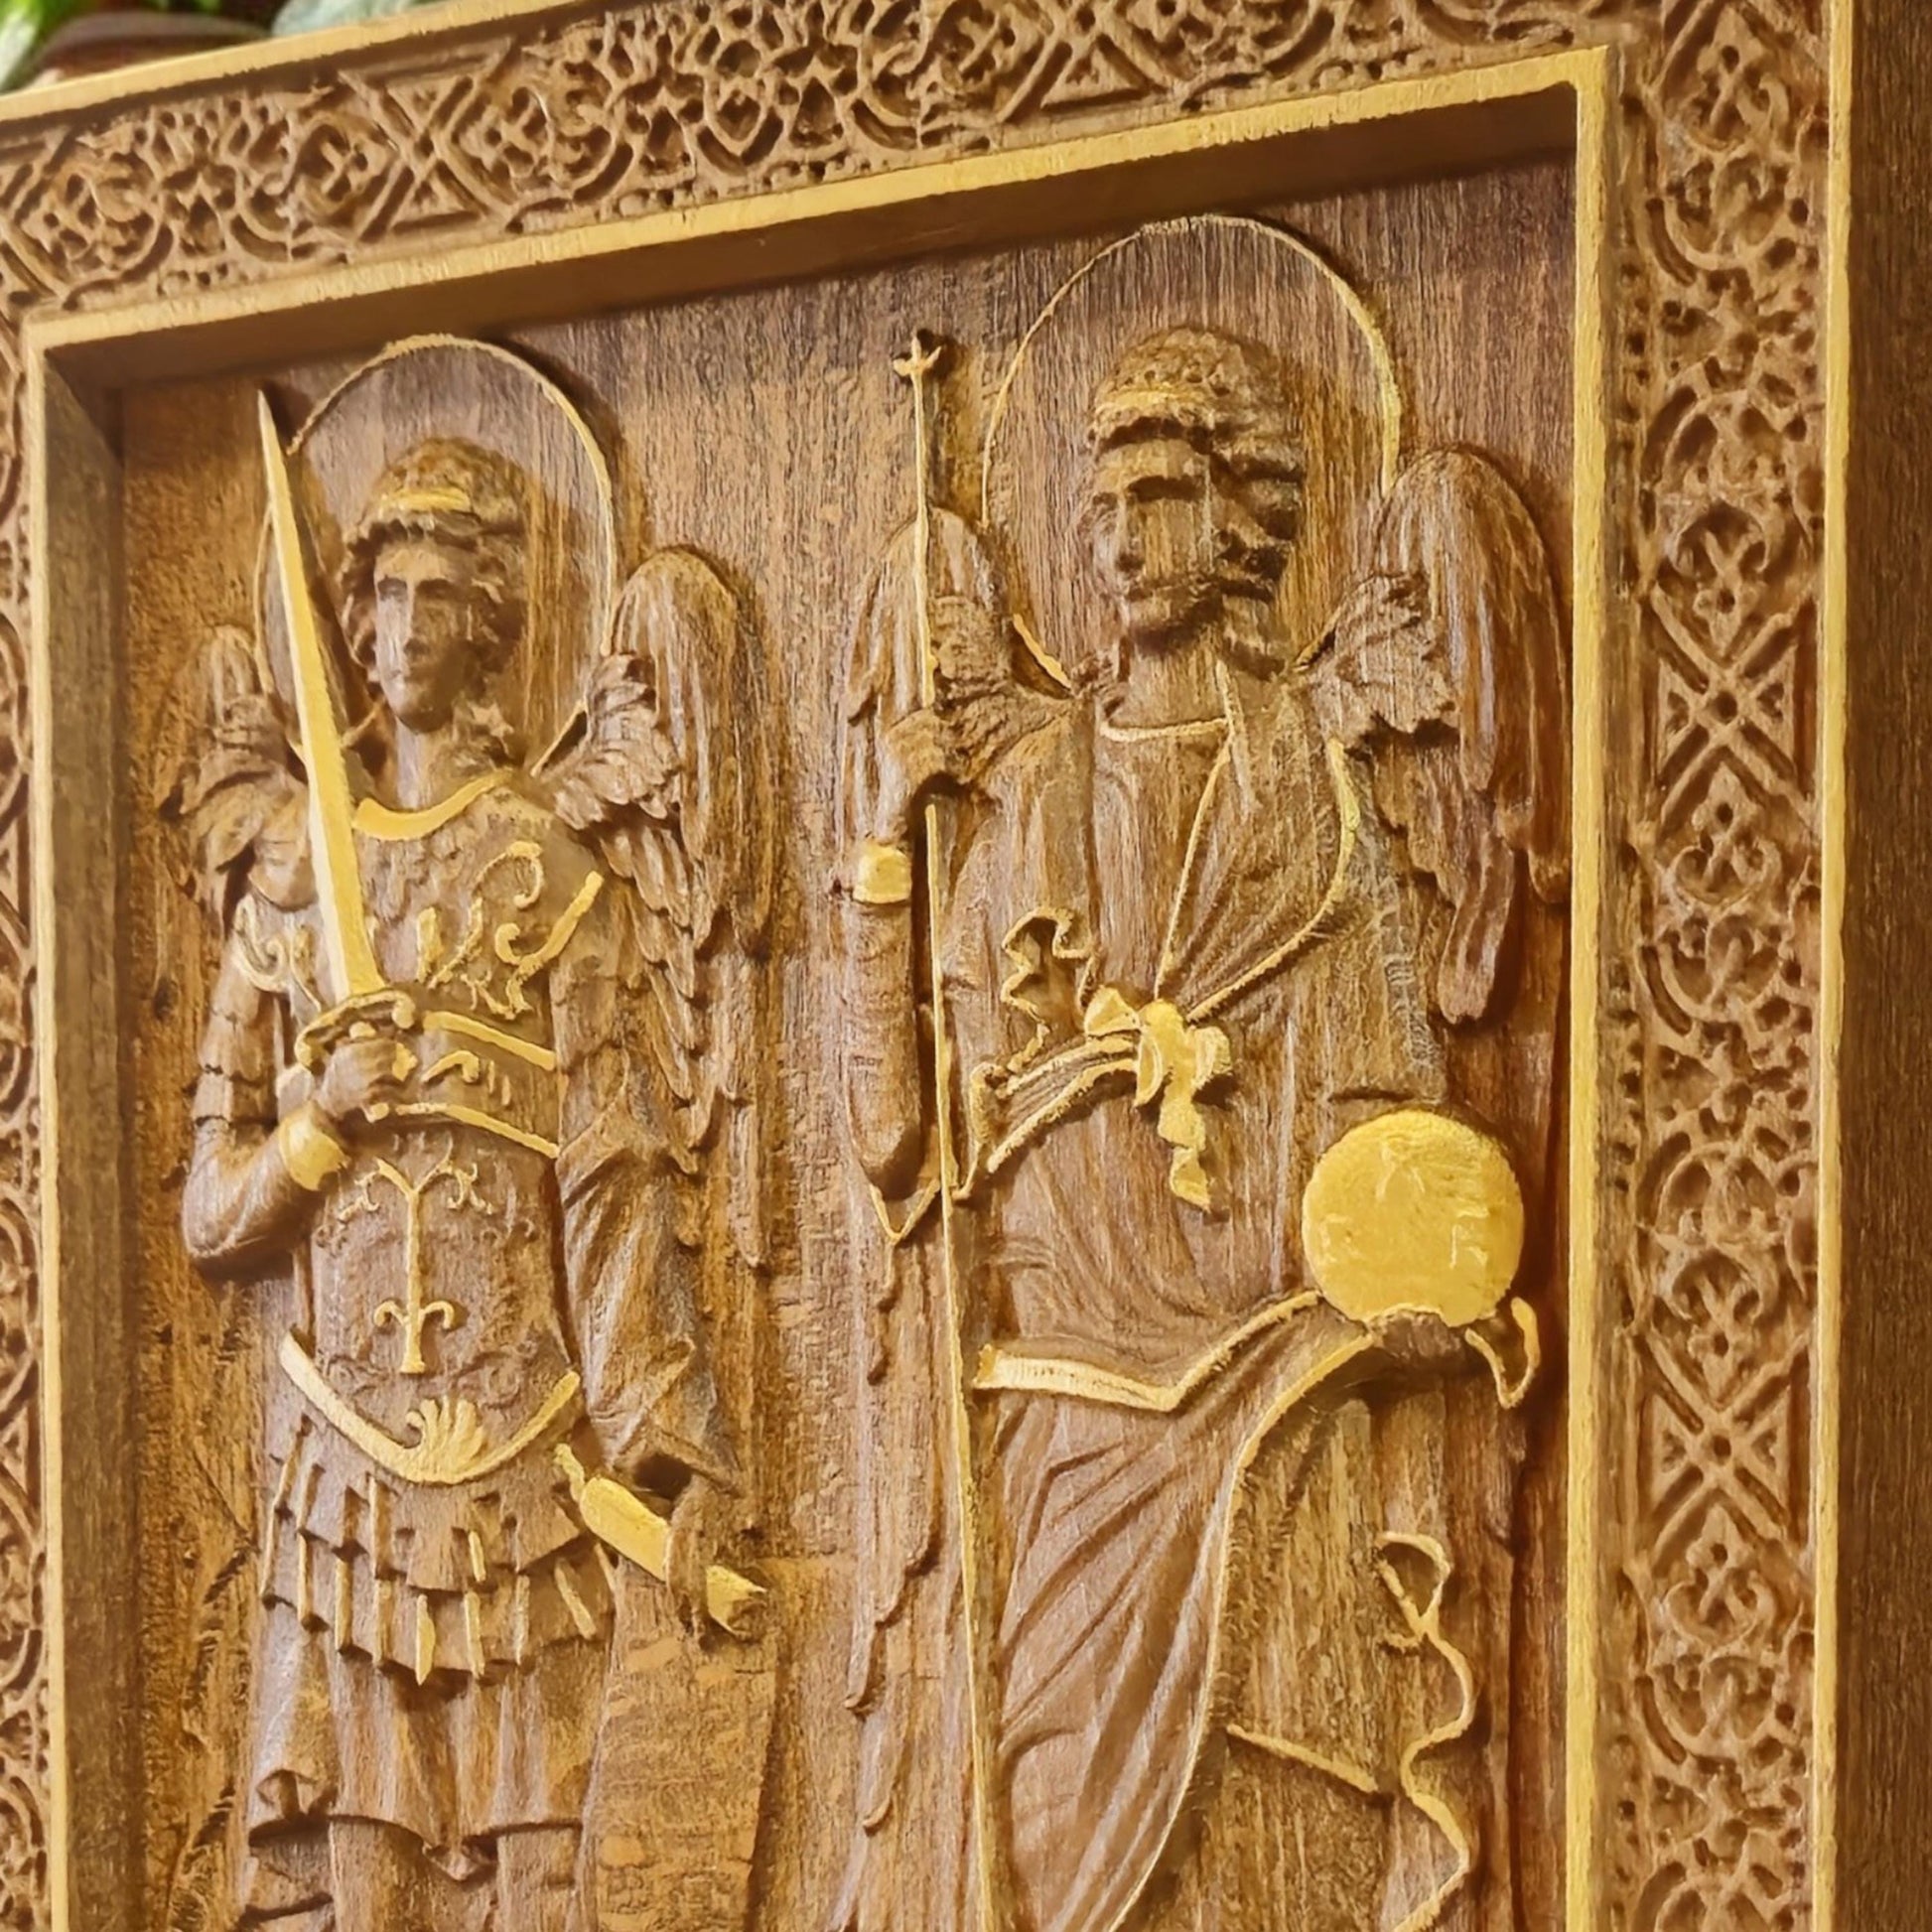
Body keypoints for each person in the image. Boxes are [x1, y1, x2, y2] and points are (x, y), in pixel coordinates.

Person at [837, 328, 1543, 1931]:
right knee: (1052, 1837)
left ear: (1244, 518)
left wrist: (1410, 1291)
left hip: (1277, 1399)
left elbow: (1386, 1106)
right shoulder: (1025, 795)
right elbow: (894, 1134)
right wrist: (883, 857)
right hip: (1066, 1416)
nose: (1118, 538)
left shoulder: (1318, 789)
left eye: (1159, 495)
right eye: (1100, 505)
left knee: (1275, 1827)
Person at [183, 438, 739, 1932]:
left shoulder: (548, 868)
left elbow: (612, 1178)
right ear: (353, 627)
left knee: (543, 1836)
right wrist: (316, 1128)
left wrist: (660, 1442)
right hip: (344, 1452)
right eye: (386, 597)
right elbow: (210, 1210)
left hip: (523, 1443)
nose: (408, 627)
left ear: (490, 626)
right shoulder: (290, 891)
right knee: (364, 1841)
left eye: (440, 596)